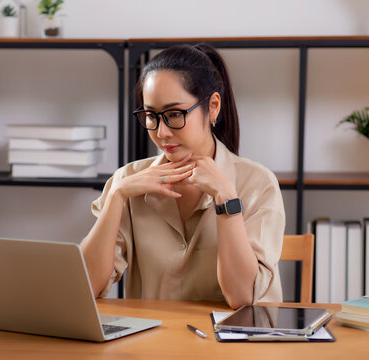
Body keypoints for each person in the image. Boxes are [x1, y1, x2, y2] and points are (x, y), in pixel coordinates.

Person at [80, 44, 285, 309]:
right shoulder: (129, 179)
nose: (162, 132)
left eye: (175, 114)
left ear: (212, 107)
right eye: (151, 116)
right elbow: (88, 286)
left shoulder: (257, 184)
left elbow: (242, 297)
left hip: (231, 348)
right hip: (154, 345)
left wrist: (226, 199)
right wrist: (117, 195)